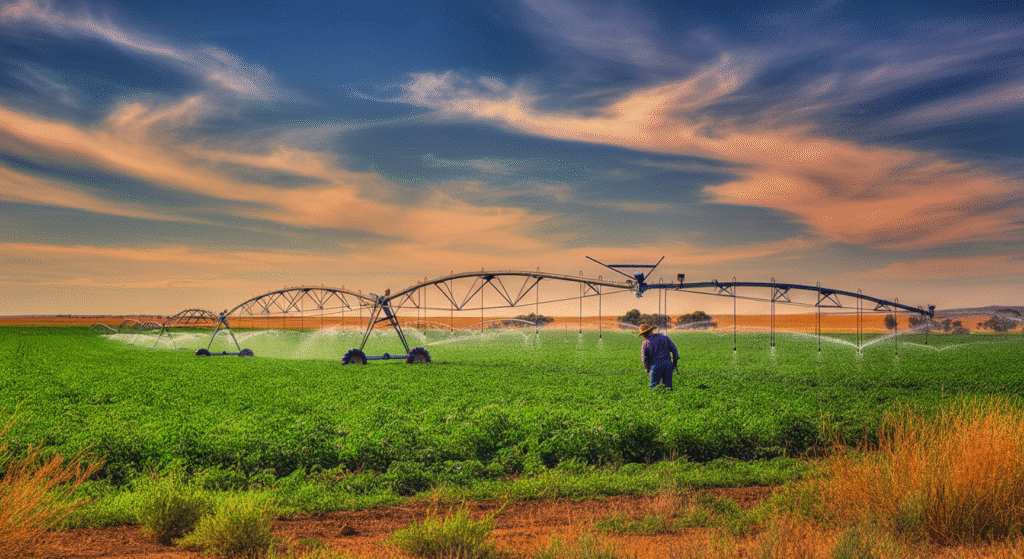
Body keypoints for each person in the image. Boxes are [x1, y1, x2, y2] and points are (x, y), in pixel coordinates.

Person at [638, 324, 678, 389]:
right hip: (668, 365)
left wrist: (647, 369)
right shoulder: (664, 337)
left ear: (644, 334)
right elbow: (674, 350)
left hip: (655, 367)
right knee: (668, 386)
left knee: (653, 387)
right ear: (651, 330)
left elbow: (644, 358)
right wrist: (674, 363)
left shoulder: (645, 343)